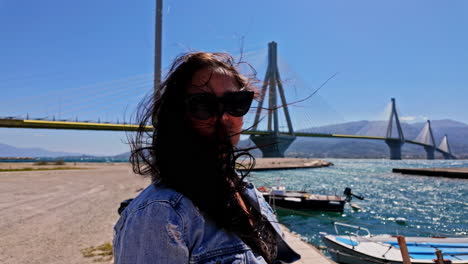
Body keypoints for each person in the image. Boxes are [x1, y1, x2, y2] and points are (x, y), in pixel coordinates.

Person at [113, 52, 300, 264]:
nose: (224, 117)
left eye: (236, 102)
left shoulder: (248, 193)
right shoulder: (161, 214)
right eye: (203, 105)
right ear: (177, 117)